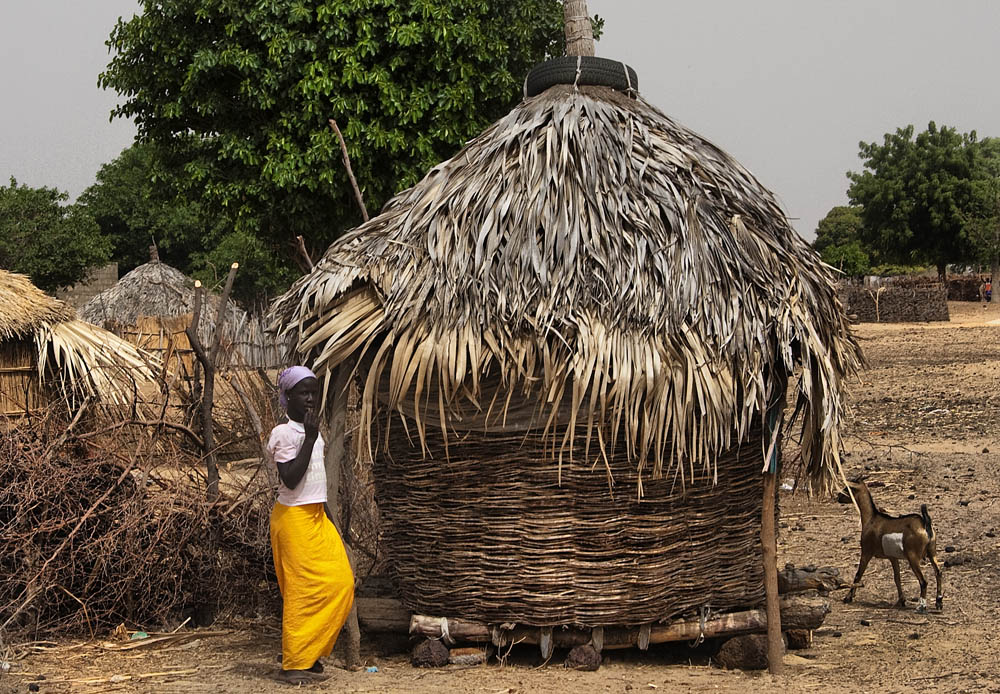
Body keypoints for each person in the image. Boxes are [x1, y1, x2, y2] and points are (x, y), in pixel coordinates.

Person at [267, 366, 354, 685]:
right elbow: (290, 479)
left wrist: (330, 520)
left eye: (314, 393)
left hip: (316, 516)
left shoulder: (312, 431)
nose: (310, 399)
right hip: (292, 520)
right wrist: (310, 438)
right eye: (303, 393)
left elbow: (315, 483)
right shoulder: (285, 434)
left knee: (341, 582)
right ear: (287, 397)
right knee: (303, 592)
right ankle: (293, 664)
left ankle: (309, 653)